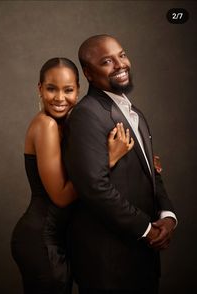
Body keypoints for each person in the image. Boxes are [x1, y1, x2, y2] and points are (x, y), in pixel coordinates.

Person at [63, 35, 177, 294]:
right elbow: (94, 187)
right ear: (89, 73)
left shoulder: (133, 111)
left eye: (122, 55)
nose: (120, 64)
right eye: (106, 61)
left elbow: (151, 171)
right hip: (109, 264)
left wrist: (167, 217)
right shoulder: (87, 115)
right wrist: (146, 229)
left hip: (142, 258)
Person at [11, 57, 134, 294]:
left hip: (59, 238)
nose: (59, 98)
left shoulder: (68, 125)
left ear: (78, 90)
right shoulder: (45, 125)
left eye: (68, 90)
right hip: (41, 239)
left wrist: (144, 164)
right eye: (51, 89)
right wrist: (108, 160)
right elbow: (61, 197)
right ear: (39, 89)